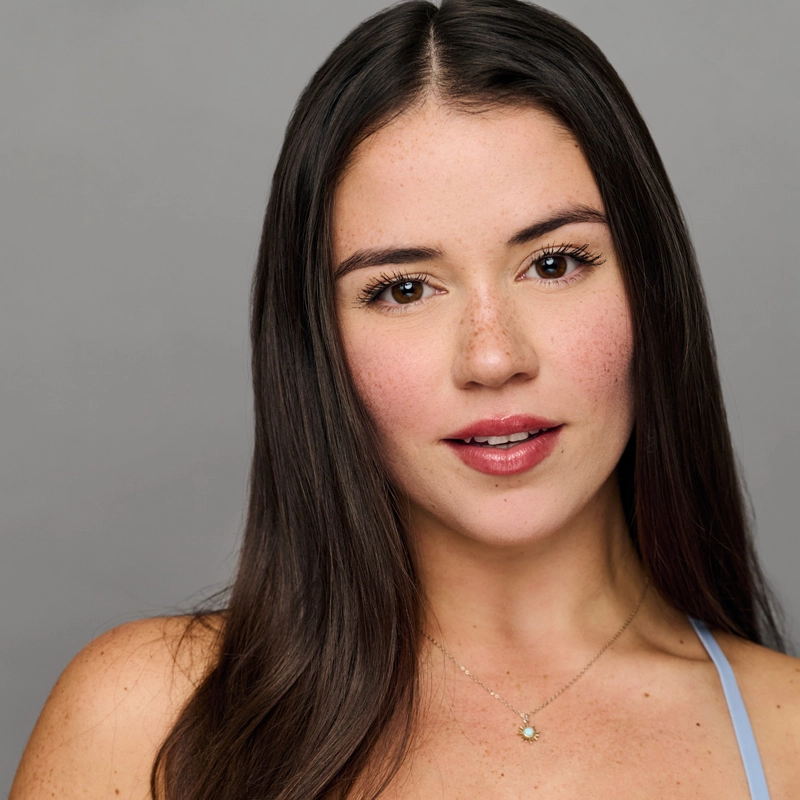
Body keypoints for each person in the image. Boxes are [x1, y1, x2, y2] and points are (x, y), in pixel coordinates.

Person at [10, 1, 800, 798]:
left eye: (555, 264)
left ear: (652, 288)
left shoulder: (788, 735)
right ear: (318, 342)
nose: (493, 356)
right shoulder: (148, 723)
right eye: (404, 288)